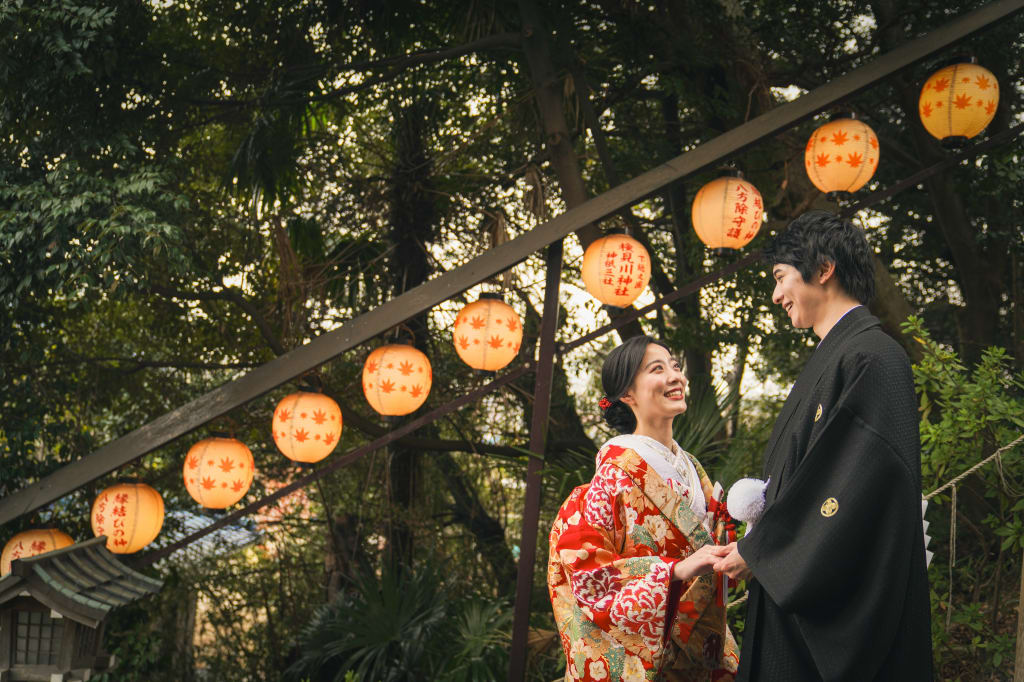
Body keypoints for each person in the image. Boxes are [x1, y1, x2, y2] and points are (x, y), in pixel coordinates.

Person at [713, 211, 933, 680]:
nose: (775, 295)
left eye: (780, 277)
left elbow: (853, 479)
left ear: (823, 268)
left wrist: (763, 550)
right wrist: (766, 550)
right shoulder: (839, 354)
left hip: (823, 596)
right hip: (790, 586)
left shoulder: (873, 357)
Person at [548, 335, 738, 681]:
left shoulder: (692, 469)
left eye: (676, 366)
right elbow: (591, 580)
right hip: (655, 657)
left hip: (701, 646)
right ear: (627, 395)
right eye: (657, 369)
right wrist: (673, 572)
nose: (675, 376)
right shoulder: (610, 479)